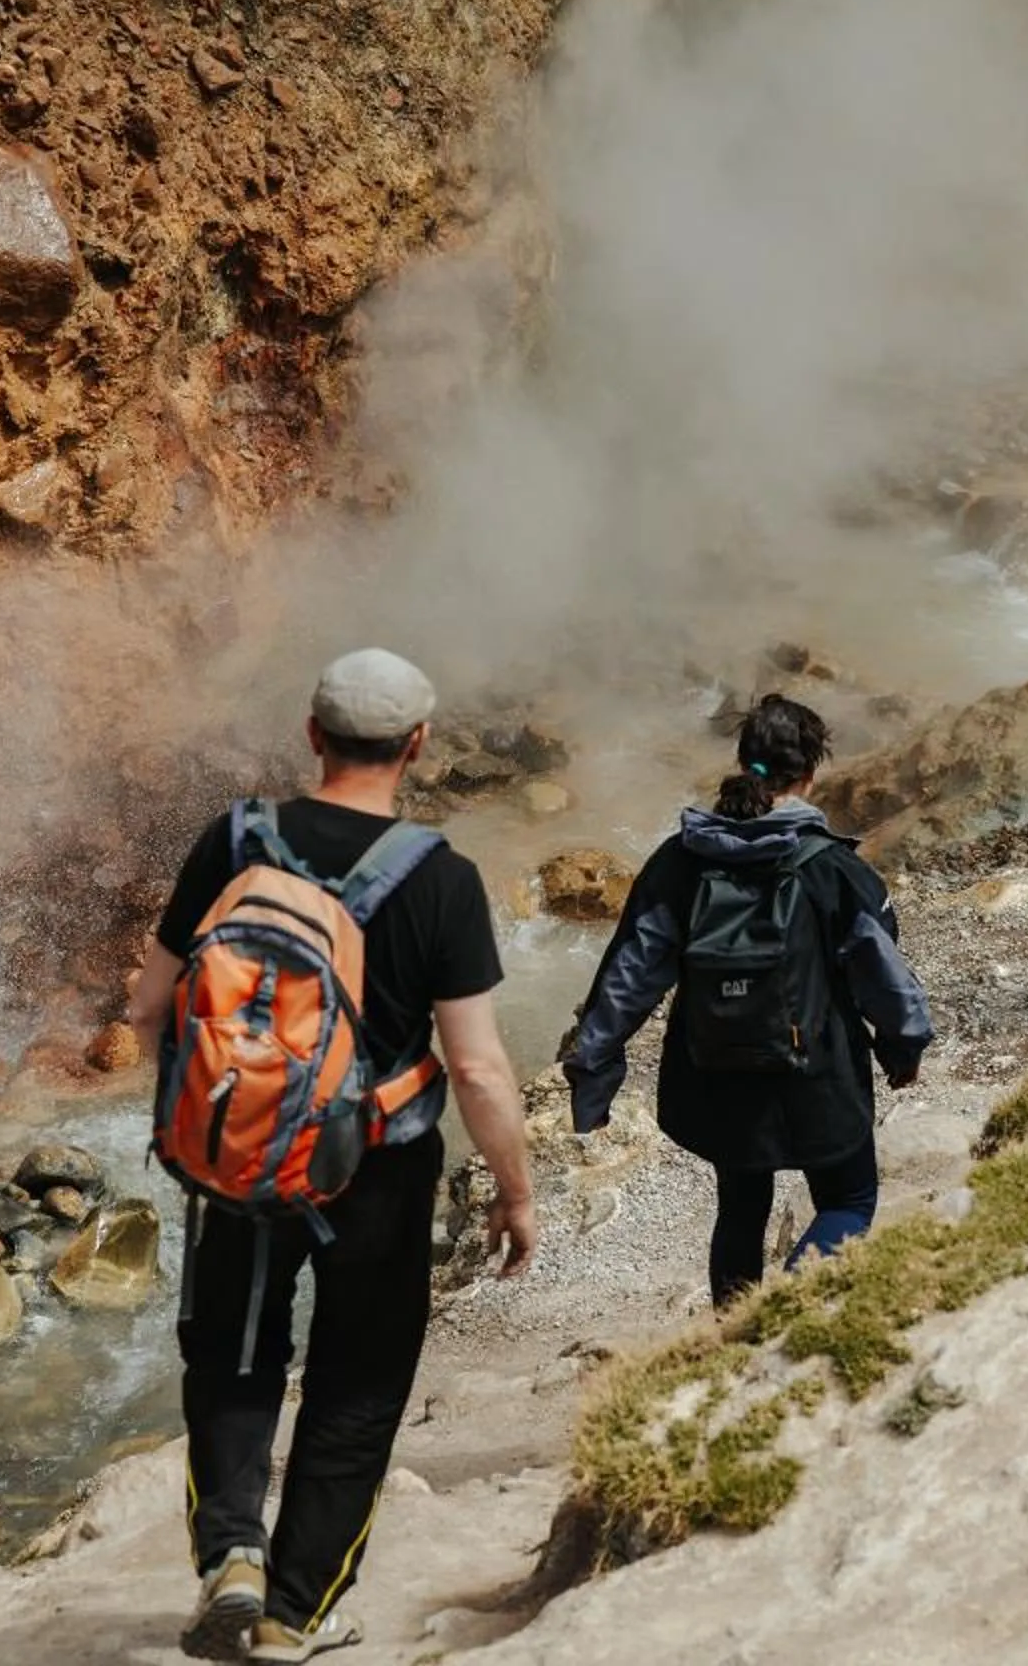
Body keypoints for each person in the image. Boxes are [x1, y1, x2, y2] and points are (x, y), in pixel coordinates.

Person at [125, 648, 538, 1663]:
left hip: (244, 1150)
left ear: (312, 732)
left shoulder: (235, 839)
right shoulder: (440, 878)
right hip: (379, 1168)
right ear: (417, 745)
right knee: (357, 1380)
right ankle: (296, 1611)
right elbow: (477, 1067)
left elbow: (149, 1007)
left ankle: (232, 1551)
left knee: (235, 1351)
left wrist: (213, 1112)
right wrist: (514, 1189)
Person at [563, 694, 934, 1306]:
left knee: (740, 1210)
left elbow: (629, 976)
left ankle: (730, 1334)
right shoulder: (831, 867)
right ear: (811, 772)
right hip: (818, 1075)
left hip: (717, 1076)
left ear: (741, 762)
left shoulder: (680, 862)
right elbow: (882, 973)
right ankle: (784, 1315)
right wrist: (903, 1046)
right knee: (848, 1201)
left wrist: (593, 1077)